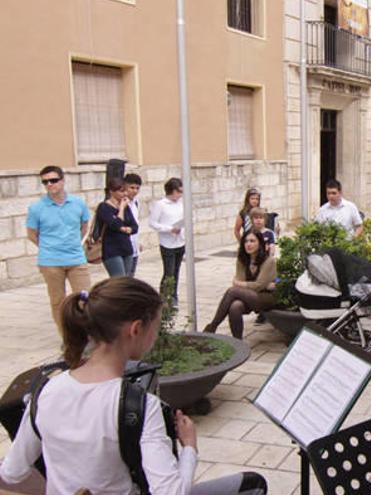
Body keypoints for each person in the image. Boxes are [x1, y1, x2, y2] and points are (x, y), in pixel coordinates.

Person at [0, 277, 267, 494]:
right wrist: (189, 447)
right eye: (156, 326)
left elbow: (12, 473)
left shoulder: (45, 391)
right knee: (251, 485)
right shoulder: (140, 406)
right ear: (136, 329)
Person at [26, 166, 92, 333]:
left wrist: (76, 243)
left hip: (76, 259)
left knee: (85, 298)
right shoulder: (37, 208)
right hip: (50, 262)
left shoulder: (78, 203)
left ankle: (86, 333)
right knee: (58, 301)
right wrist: (48, 248)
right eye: (45, 182)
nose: (49, 184)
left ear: (62, 180)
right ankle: (67, 337)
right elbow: (32, 234)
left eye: (53, 180)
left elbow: (85, 226)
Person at [203, 231, 277, 339]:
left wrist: (243, 284)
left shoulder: (269, 261)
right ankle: (238, 342)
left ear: (260, 243)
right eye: (246, 241)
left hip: (267, 297)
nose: (248, 244)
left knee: (232, 291)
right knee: (235, 307)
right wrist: (246, 285)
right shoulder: (242, 260)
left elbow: (258, 285)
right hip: (249, 296)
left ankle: (212, 326)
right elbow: (245, 284)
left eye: (252, 241)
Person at [149, 178, 185, 304]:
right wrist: (169, 229)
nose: (180, 194)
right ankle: (164, 297)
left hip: (180, 241)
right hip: (167, 243)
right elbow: (153, 223)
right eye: (179, 191)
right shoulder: (161, 204)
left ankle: (174, 295)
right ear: (172, 191)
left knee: (176, 270)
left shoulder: (181, 203)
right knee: (168, 272)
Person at [96, 177, 138, 277]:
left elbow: (134, 226)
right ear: (112, 191)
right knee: (119, 279)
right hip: (112, 249)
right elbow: (116, 224)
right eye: (121, 191)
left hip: (126, 247)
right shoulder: (104, 207)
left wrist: (129, 229)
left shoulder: (126, 206)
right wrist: (122, 208)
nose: (125, 194)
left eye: (125, 191)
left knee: (127, 281)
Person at [124, 173, 143, 276]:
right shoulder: (121, 202)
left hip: (134, 247)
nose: (135, 191)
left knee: (131, 276)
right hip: (124, 247)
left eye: (137, 188)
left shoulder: (135, 202)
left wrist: (138, 242)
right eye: (132, 187)